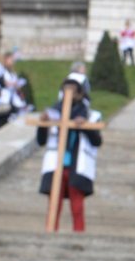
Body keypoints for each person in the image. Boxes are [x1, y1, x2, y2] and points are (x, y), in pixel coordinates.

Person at [36, 73, 102, 233]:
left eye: (73, 89)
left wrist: (84, 126)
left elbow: (97, 141)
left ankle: (78, 235)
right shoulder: (53, 114)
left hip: (77, 166)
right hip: (55, 165)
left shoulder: (91, 115)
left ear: (80, 93)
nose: (69, 93)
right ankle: (51, 231)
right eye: (66, 89)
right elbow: (41, 141)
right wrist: (43, 124)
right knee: (54, 205)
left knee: (77, 205)